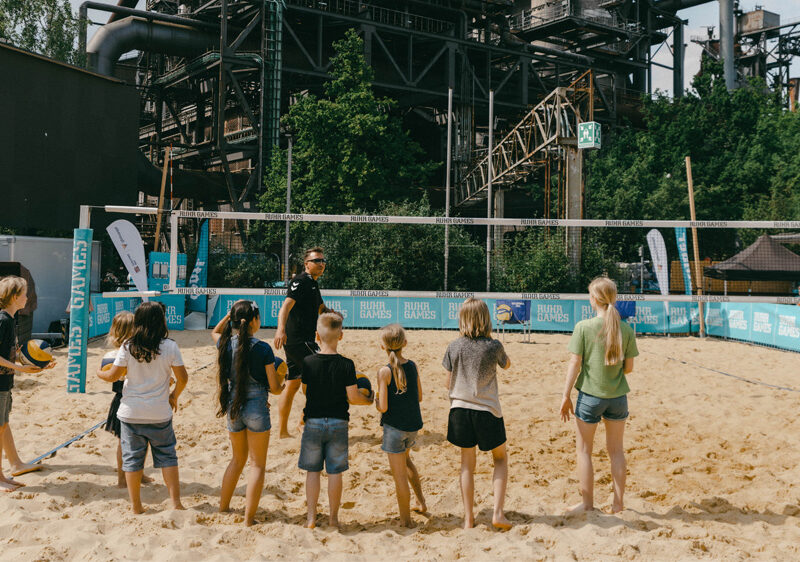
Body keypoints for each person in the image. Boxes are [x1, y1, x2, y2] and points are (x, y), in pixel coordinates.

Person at [98, 302, 189, 514]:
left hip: (131, 413)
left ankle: (136, 507)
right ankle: (176, 503)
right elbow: (183, 378)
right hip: (159, 412)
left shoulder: (127, 346)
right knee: (168, 457)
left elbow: (113, 376)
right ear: (162, 321)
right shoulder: (170, 346)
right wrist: (174, 396)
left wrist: (99, 373)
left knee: (132, 460)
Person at [559, 277, 639, 515]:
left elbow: (575, 364)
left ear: (594, 299)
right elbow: (629, 369)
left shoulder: (584, 327)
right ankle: (618, 504)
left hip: (590, 396)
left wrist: (565, 395)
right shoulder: (626, 329)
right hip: (617, 397)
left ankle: (587, 504)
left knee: (584, 451)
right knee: (616, 451)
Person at [212, 300, 284, 526]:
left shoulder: (225, 344)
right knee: (257, 465)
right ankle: (248, 519)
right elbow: (274, 388)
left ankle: (223, 507)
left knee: (237, 460)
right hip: (256, 408)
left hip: (233, 405)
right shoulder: (263, 348)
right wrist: (282, 385)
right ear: (253, 320)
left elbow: (214, 332)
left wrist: (229, 315)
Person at [442, 297, 512, 530]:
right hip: (487, 409)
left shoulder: (454, 346)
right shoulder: (493, 346)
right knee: (500, 459)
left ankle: (468, 518)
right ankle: (498, 513)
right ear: (486, 319)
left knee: (466, 465)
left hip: (460, 410)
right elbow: (507, 365)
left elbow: (447, 383)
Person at [298, 312, 372, 529]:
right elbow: (353, 397)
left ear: (316, 336)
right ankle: (333, 518)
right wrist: (369, 399)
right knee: (335, 472)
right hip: (338, 422)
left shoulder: (308, 362)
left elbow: (305, 391)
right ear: (341, 335)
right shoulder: (347, 365)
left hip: (313, 422)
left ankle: (311, 517)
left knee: (313, 471)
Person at [0, 276, 53, 491]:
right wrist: (20, 368)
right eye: (24, 293)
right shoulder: (3, 320)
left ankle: (14, 466)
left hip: (5, 382)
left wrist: (37, 363)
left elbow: (8, 353)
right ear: (14, 297)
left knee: (3, 425)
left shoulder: (11, 319)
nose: (27, 297)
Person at [273, 247, 329, 439]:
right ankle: (303, 423)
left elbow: (321, 308)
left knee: (293, 384)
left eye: (323, 261)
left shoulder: (313, 283)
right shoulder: (301, 281)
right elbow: (285, 307)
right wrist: (280, 329)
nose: (321, 264)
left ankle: (283, 432)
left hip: (303, 340)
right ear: (306, 264)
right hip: (298, 340)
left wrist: (332, 316)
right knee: (319, 378)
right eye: (316, 261)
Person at [374, 323, 426, 527]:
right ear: (405, 343)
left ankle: (406, 521)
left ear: (382, 346)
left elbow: (384, 407)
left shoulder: (384, 372)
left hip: (394, 428)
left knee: (399, 477)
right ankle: (421, 502)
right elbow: (419, 397)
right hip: (412, 426)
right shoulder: (413, 366)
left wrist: (375, 401)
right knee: (407, 461)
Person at [97, 311, 155, 488]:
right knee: (132, 442)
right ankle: (124, 479)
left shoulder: (125, 353)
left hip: (132, 399)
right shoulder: (121, 355)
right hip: (130, 400)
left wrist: (99, 373)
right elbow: (113, 376)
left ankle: (136, 474)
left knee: (134, 441)